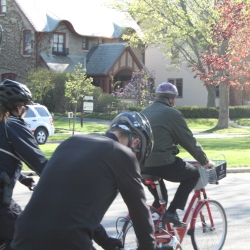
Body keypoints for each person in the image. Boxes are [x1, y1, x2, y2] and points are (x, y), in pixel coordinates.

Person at [11, 111, 158, 250]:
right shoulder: (122, 154)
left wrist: (106, 241)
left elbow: (71, 210)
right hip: (67, 241)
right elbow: (139, 210)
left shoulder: (70, 143)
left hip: (23, 236)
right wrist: (149, 247)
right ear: (136, 142)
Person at [141, 82, 214, 227]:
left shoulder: (143, 112)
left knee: (160, 200)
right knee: (193, 174)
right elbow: (188, 140)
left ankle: (154, 231)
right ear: (172, 99)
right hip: (163, 163)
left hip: (142, 166)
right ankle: (172, 212)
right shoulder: (172, 114)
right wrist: (205, 161)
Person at [0, 79, 48, 250]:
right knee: (29, 235)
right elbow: (40, 163)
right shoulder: (12, 124)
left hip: (4, 200)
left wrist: (22, 178)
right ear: (17, 106)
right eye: (24, 107)